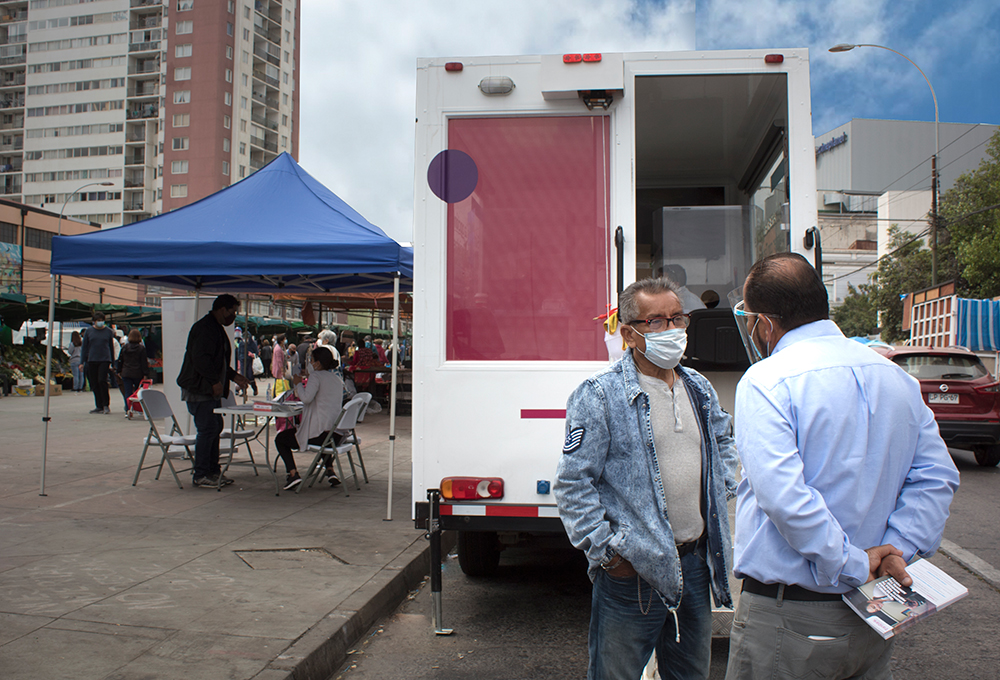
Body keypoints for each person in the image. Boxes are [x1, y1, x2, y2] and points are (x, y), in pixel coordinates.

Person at [725, 253, 959, 680]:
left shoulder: (767, 380)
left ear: (764, 323)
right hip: (875, 611)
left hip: (791, 617)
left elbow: (784, 498)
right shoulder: (895, 377)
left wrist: (853, 563)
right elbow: (937, 475)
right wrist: (897, 550)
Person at [554, 277, 738, 680]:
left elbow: (724, 442)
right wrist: (609, 554)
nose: (671, 330)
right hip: (632, 574)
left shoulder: (698, 388)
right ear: (630, 334)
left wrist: (718, 489)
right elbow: (573, 484)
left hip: (694, 565)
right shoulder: (599, 395)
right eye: (655, 322)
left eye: (677, 318)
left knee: (690, 674)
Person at [176, 294, 250, 488]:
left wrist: (233, 376)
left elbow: (221, 362)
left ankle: (213, 470)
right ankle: (201, 473)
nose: (233, 316)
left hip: (210, 390)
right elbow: (200, 358)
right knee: (207, 429)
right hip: (200, 389)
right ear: (221, 309)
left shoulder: (216, 328)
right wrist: (213, 381)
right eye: (231, 311)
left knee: (215, 427)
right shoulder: (204, 328)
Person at [273, 346, 344, 490]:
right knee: (325, 430)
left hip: (320, 436)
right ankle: (329, 470)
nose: (310, 364)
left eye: (311, 360)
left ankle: (293, 474)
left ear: (317, 363)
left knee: (281, 439)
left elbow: (306, 398)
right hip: (335, 435)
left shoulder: (316, 376)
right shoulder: (336, 379)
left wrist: (298, 382)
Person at [80, 312, 115, 414]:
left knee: (102, 381)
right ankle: (98, 405)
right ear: (94, 322)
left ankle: (106, 404)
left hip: (104, 359)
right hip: (92, 359)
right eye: (98, 321)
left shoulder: (108, 331)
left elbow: (111, 347)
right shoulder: (89, 331)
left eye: (101, 320)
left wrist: (112, 362)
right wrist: (82, 361)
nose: (100, 322)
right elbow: (85, 347)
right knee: (94, 383)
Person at [116, 329, 149, 413]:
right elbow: (143, 362)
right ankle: (139, 408)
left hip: (126, 372)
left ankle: (128, 409)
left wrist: (119, 371)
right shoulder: (141, 349)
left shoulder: (124, 348)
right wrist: (146, 373)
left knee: (128, 392)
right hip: (138, 373)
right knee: (138, 392)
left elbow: (120, 360)